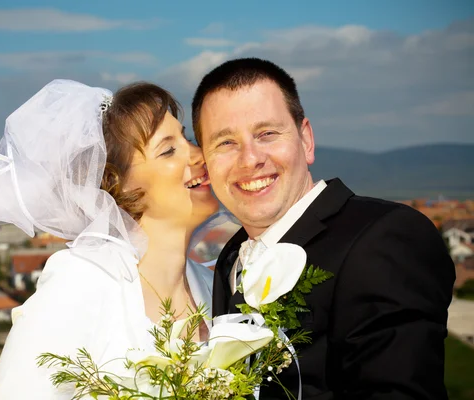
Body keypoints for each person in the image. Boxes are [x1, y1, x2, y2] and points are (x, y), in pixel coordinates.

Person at [192, 58, 455, 399]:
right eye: (225, 143)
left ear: (306, 140)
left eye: (267, 134)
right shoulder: (230, 258)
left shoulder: (384, 237)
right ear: (206, 162)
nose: (250, 159)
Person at [0, 79, 220, 399]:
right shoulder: (81, 282)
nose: (199, 154)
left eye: (187, 139)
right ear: (118, 183)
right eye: (168, 150)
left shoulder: (213, 287)